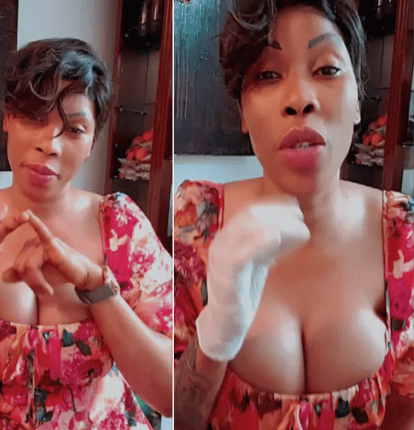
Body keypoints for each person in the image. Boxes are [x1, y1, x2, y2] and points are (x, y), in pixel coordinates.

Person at [172, 0, 413, 429]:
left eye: (327, 69)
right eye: (267, 75)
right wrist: (216, 333)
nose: (300, 99)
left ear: (359, 100)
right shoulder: (194, 223)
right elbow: (179, 417)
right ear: (243, 112)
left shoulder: (403, 235)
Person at [0, 38, 173, 429]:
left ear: (92, 142)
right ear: (7, 118)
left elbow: (168, 395)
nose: (49, 145)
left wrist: (95, 286)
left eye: (74, 129)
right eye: (34, 117)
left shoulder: (121, 227)